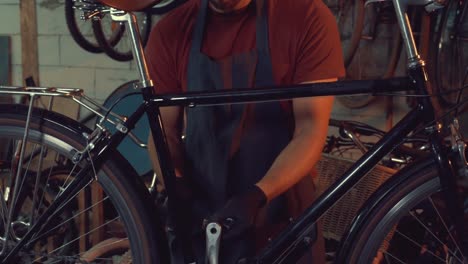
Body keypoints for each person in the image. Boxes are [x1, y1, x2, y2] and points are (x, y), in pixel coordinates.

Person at [145, 0, 345, 262]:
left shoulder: (306, 16)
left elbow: (310, 129)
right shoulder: (172, 29)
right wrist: (176, 184)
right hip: (200, 213)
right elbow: (163, 132)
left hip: (281, 213)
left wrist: (258, 195)